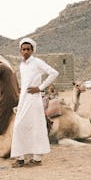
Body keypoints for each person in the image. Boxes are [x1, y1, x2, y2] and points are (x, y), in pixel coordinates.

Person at [10, 37, 59, 167]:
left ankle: (36, 159)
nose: (25, 51)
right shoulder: (22, 65)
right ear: (20, 51)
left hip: (34, 99)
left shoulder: (37, 62)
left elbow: (54, 73)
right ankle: (20, 157)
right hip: (24, 99)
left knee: (36, 127)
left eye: (28, 49)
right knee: (19, 126)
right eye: (23, 49)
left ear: (32, 50)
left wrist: (40, 88)